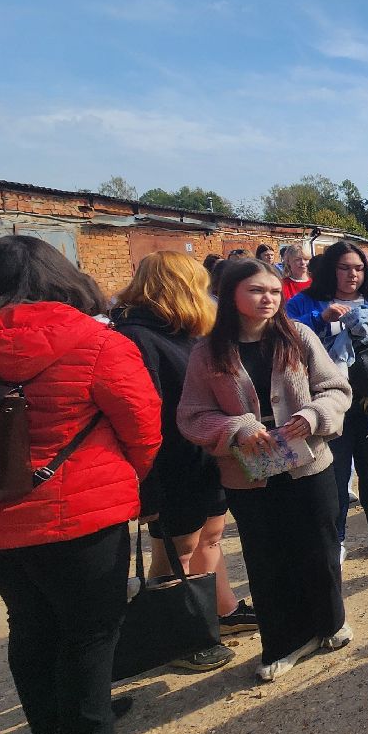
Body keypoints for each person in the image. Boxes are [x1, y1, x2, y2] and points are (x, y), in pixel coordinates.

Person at [0, 235, 164, 734]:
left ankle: (54, 727)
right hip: (76, 508)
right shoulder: (95, 342)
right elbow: (142, 425)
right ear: (63, 278)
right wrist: (133, 481)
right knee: (92, 627)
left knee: (29, 619)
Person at [178, 258, 353, 682]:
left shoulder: (298, 337)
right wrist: (236, 427)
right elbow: (192, 416)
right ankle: (285, 640)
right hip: (248, 475)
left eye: (274, 292)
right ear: (231, 295)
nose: (268, 299)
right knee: (267, 557)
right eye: (257, 291)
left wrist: (313, 415)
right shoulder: (208, 352)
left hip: (308, 464)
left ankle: (329, 623)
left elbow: (336, 388)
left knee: (320, 547)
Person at [112, 252, 257, 673]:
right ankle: (180, 634)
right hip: (171, 463)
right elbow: (143, 416)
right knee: (177, 549)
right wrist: (148, 485)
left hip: (202, 456)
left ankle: (220, 612)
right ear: (178, 286)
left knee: (210, 536)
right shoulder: (138, 338)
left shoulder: (186, 333)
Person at [285, 242, 368, 557]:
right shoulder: (303, 304)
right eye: (344, 267)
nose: (352, 274)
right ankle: (336, 538)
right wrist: (321, 319)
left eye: (358, 268)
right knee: (336, 476)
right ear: (330, 269)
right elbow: (283, 345)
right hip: (328, 409)